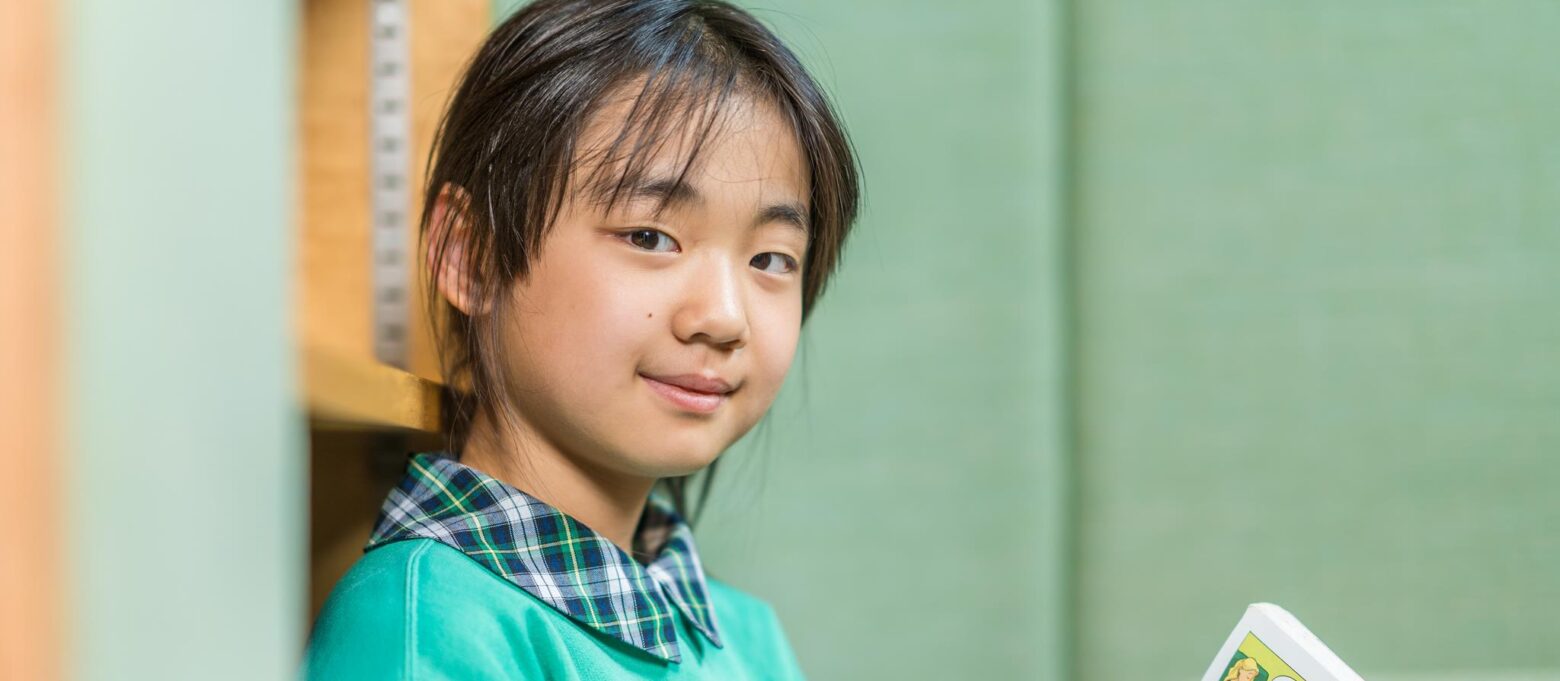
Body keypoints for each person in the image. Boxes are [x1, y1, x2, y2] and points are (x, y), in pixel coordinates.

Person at [300, 0, 860, 678]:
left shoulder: (745, 635)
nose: (723, 316)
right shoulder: (422, 624)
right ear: (470, 254)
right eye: (650, 236)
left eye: (771, 258)